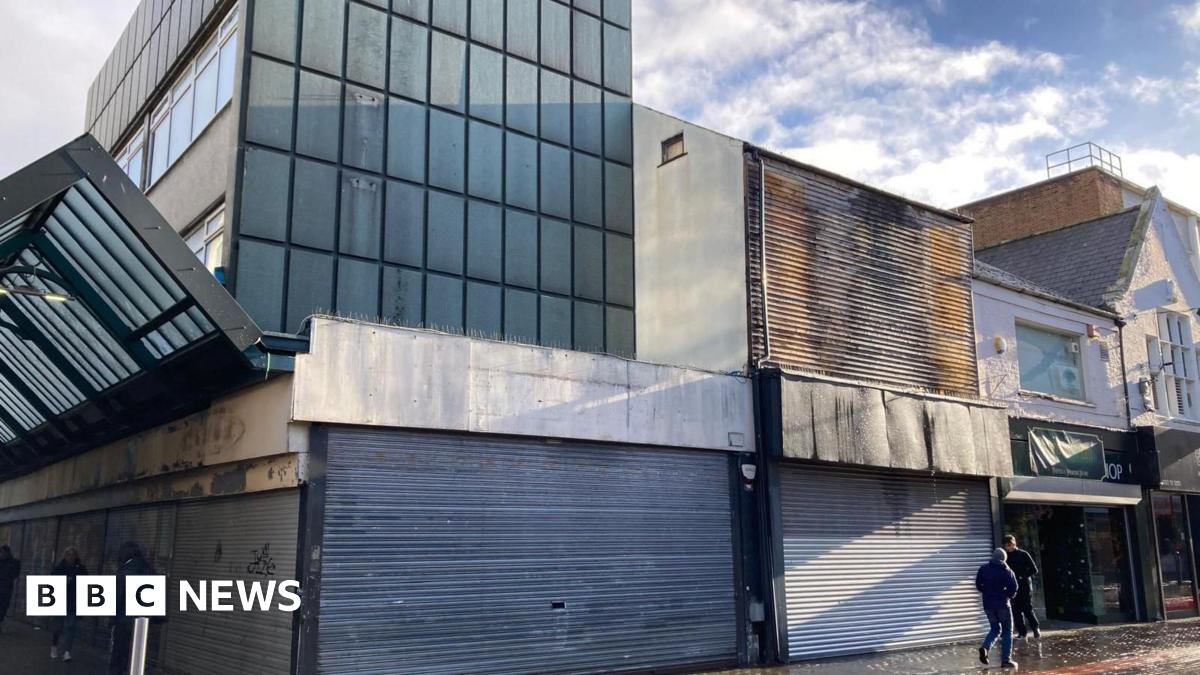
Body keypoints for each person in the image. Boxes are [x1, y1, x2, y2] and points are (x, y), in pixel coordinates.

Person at [109, 542, 154, 675]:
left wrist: (112, 620)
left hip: (123, 621)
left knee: (118, 655)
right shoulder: (149, 570)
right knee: (137, 654)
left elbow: (117, 597)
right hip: (142, 622)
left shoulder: (126, 571)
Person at [976, 547, 1019, 669]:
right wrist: (1008, 596)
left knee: (995, 629)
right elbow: (1014, 587)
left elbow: (978, 585)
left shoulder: (983, 569)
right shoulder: (1006, 570)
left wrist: (987, 592)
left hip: (988, 605)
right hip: (1003, 605)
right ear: (1004, 558)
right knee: (1007, 631)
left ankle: (985, 648)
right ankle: (1006, 660)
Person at [51, 547, 88, 662]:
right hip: (60, 602)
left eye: (72, 554)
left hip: (74, 603)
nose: (70, 556)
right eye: (68, 554)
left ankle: (67, 651)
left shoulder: (81, 569)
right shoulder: (59, 568)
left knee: (71, 627)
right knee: (58, 627)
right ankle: (54, 645)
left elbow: (86, 583)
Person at [1003, 534, 1041, 639]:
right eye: (1007, 545)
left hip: (1024, 586)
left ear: (1014, 543)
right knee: (1016, 610)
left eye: (1010, 545)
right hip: (1013, 587)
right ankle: (1022, 632)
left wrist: (1022, 576)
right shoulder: (1006, 557)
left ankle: (1035, 629)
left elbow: (1034, 569)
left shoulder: (1023, 554)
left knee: (1027, 608)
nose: (1009, 547)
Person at [0, 544, 20, 633]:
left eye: (3, 552)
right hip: (4, 587)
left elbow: (15, 574)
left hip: (6, 588)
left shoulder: (14, 562)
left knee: (4, 607)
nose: (2, 554)